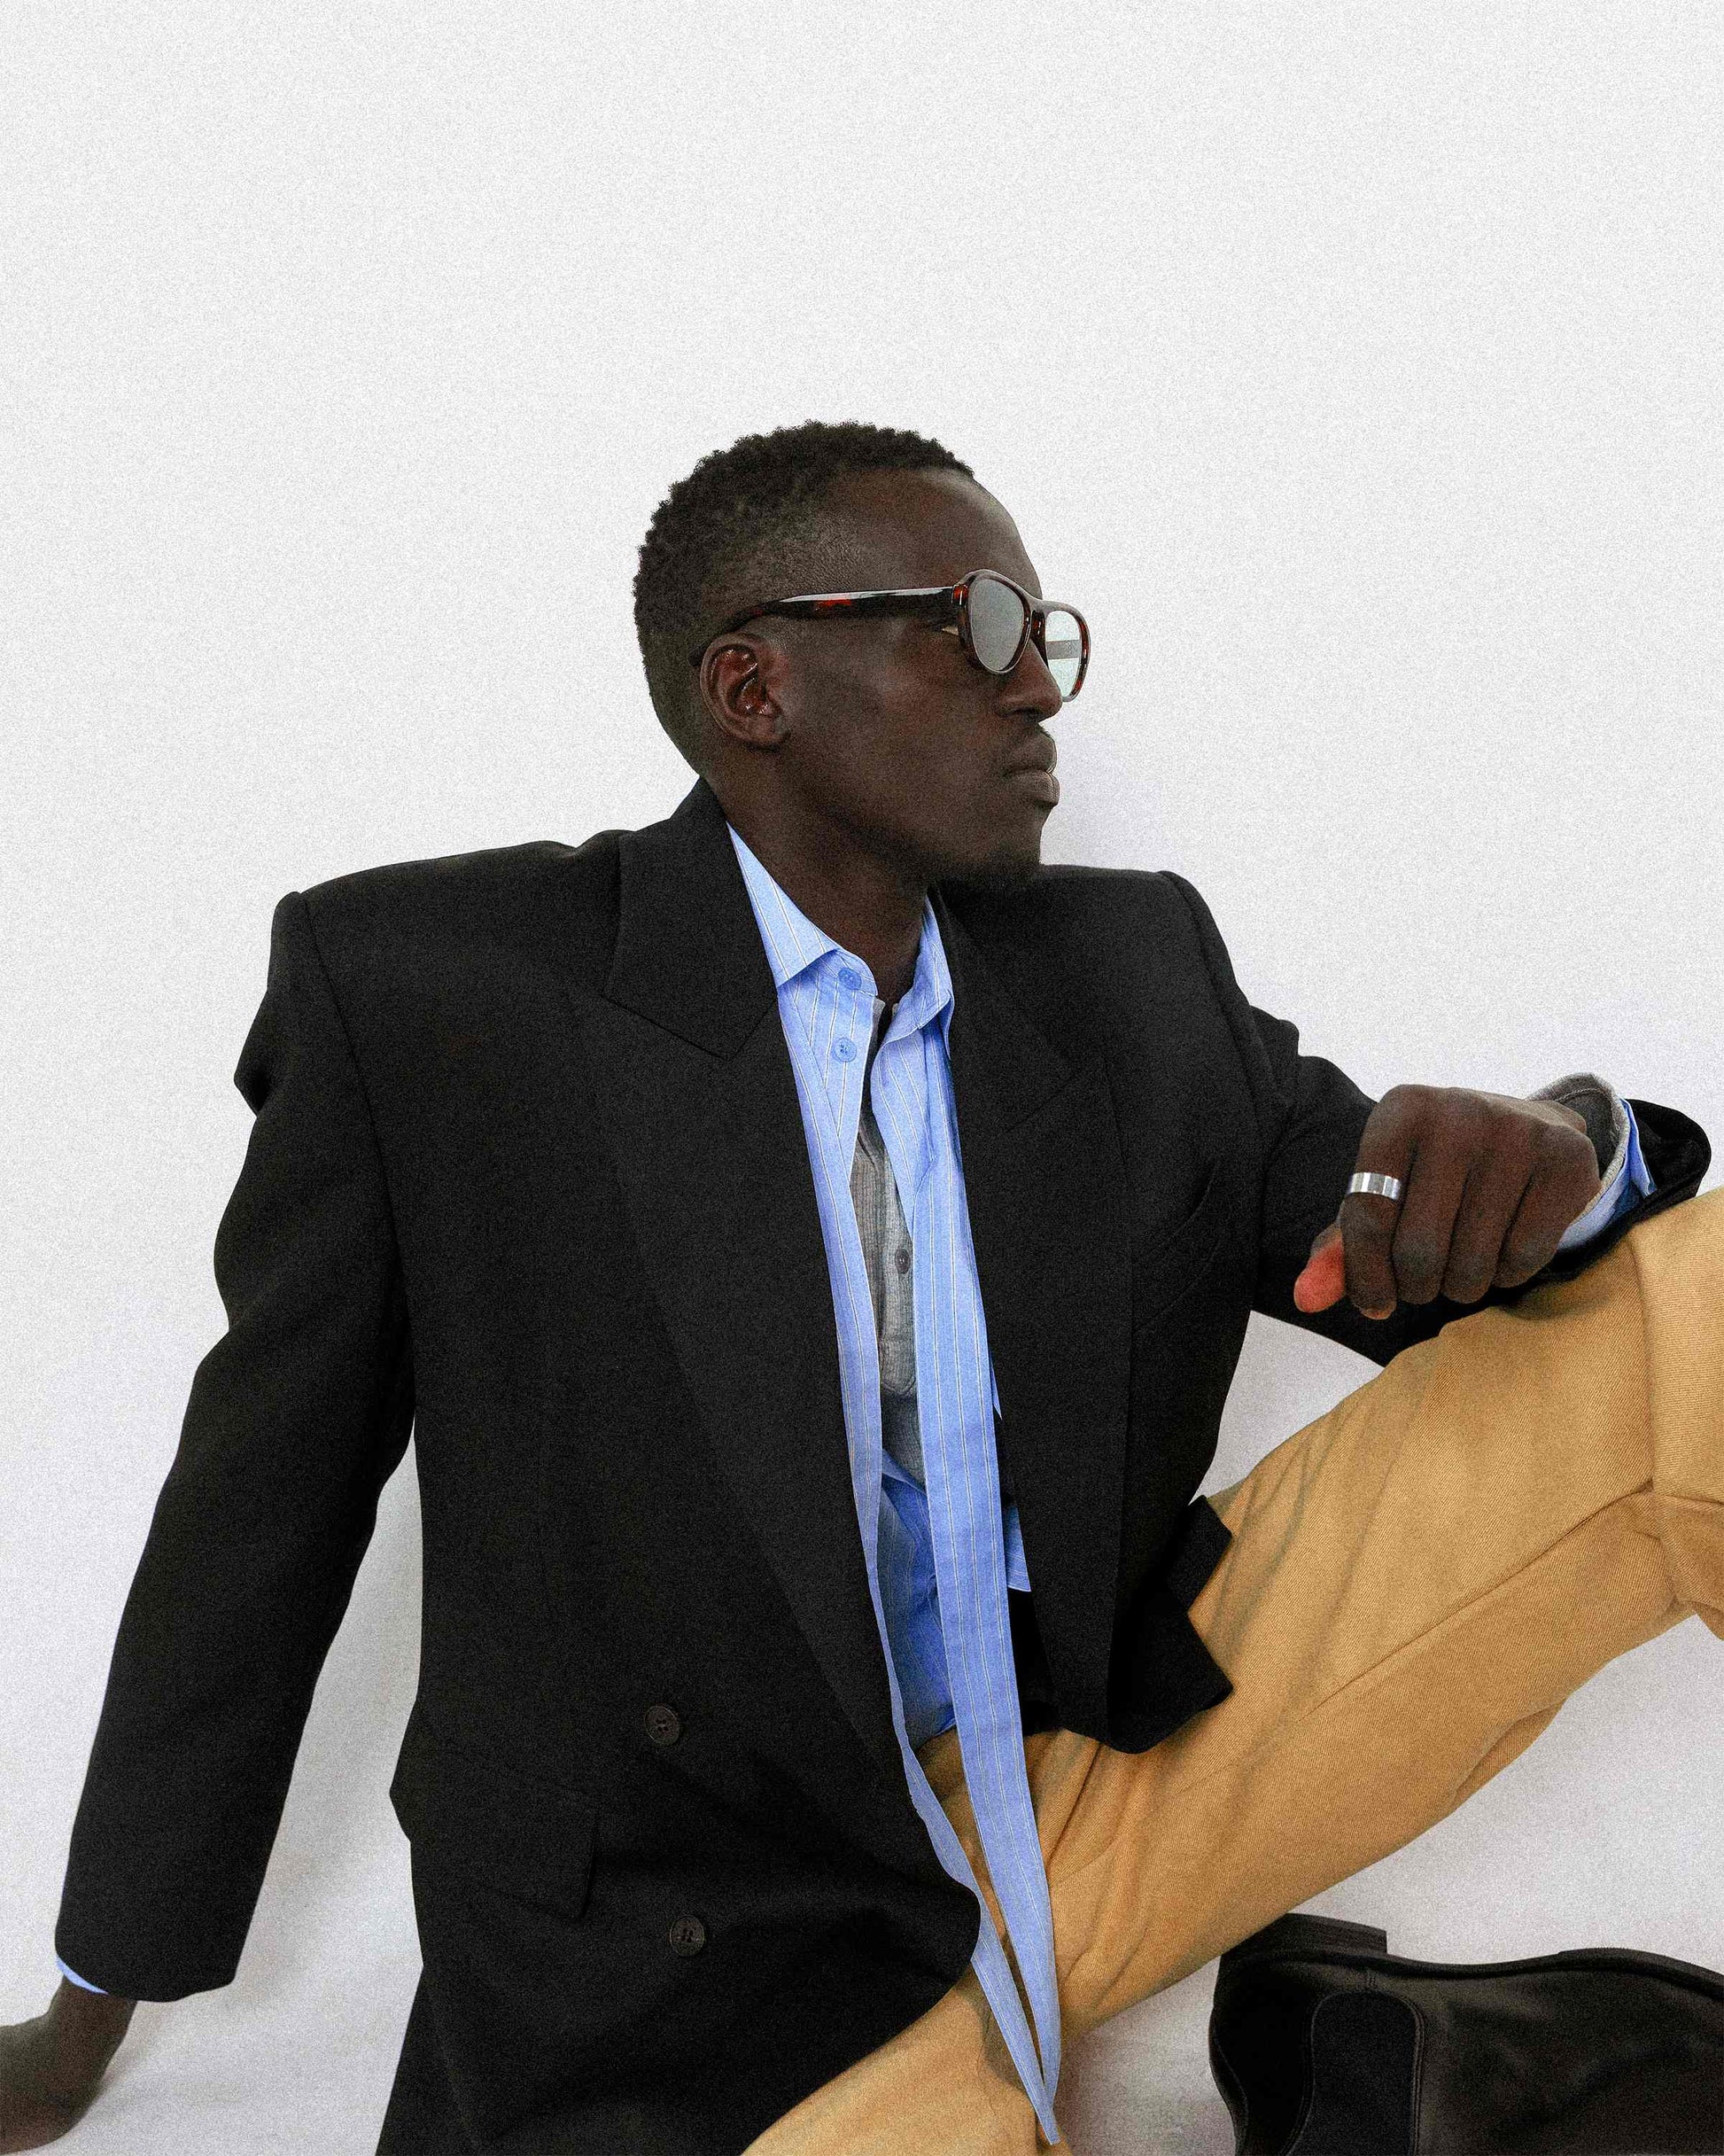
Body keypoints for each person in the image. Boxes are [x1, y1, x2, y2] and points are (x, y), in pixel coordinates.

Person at [2, 420, 1713, 2155]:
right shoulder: (439, 998)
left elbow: (1407, 1240)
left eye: (1046, 637)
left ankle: (1399, 2053)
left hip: (1100, 1777)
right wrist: (85, 2023)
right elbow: (255, 1528)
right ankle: (1389, 2072)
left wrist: (1560, 1145)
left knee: (1699, 1301)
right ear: (753, 686)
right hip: (716, 1944)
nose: (1036, 688)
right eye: (978, 626)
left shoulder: (1129, 966)